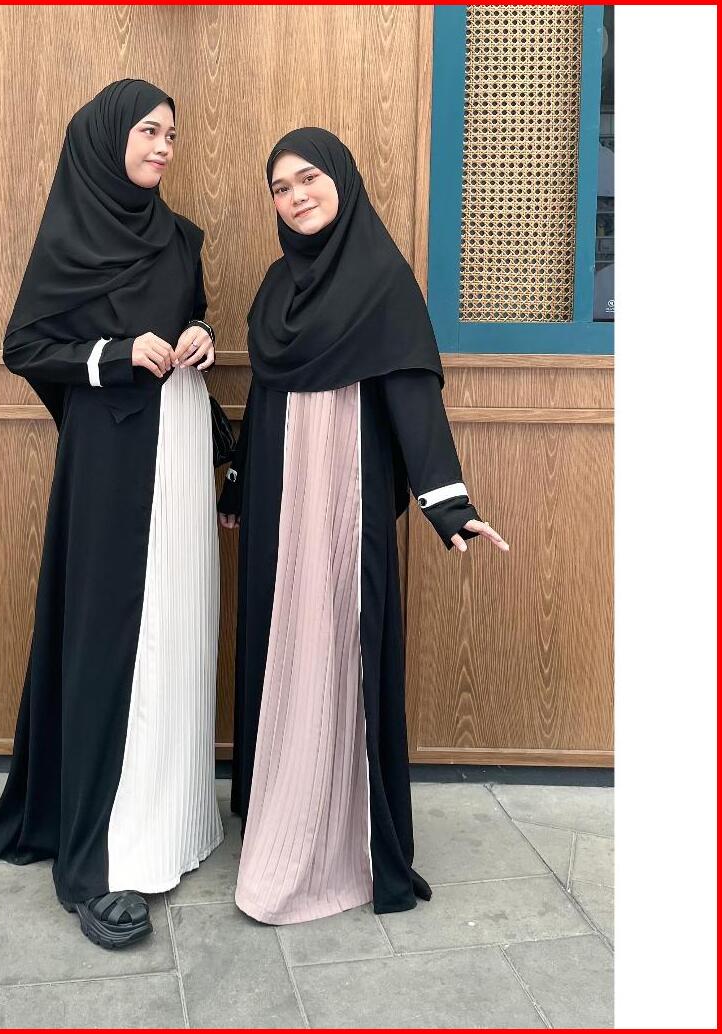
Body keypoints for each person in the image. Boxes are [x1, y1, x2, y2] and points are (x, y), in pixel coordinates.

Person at [218, 127, 509, 925]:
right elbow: (265, 392)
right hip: (282, 494)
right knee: (281, 639)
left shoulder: (382, 279)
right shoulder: (275, 285)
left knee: (341, 644)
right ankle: (282, 812)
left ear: (341, 180)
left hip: (344, 492)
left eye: (309, 178)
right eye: (280, 188)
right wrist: (238, 480)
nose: (296, 196)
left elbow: (412, 394)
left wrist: (449, 505)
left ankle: (340, 836)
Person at [0, 79, 223, 950]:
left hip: (180, 442)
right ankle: (102, 857)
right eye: (149, 131)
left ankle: (170, 819)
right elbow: (24, 347)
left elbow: (192, 315)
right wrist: (113, 355)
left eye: (171, 134)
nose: (163, 146)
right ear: (108, 138)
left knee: (173, 627)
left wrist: (200, 337)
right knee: (115, 637)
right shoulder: (70, 238)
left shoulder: (183, 237)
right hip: (111, 460)